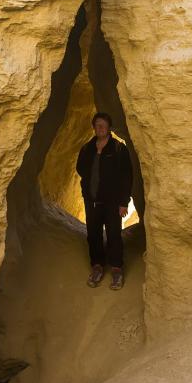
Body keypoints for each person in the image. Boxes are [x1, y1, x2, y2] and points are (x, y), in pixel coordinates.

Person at [75, 111, 133, 290]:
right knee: (93, 234)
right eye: (97, 124)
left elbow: (127, 176)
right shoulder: (87, 148)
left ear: (109, 128)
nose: (100, 127)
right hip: (92, 200)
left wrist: (123, 202)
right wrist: (88, 186)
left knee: (114, 233)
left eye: (103, 125)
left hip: (113, 202)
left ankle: (116, 269)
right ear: (94, 127)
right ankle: (97, 266)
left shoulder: (118, 148)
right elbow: (80, 168)